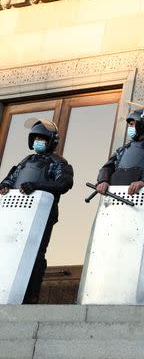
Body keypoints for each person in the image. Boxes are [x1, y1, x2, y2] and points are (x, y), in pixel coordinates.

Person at [0, 119, 74, 303]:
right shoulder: (26, 161)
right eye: (35, 138)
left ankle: (30, 296)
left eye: (42, 138)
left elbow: (64, 183)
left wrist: (37, 185)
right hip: (15, 213)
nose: (37, 142)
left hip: (41, 215)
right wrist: (4, 186)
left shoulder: (58, 162)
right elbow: (10, 179)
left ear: (50, 141)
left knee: (35, 254)